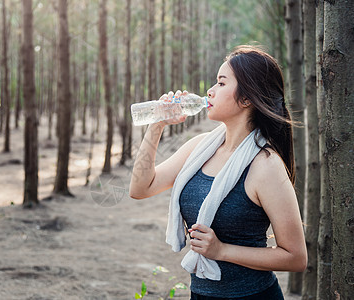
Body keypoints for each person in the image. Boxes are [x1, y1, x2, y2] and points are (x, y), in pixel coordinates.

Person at [129, 45, 307, 299]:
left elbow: (296, 257)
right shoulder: (200, 147)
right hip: (201, 293)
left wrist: (221, 251)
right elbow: (140, 189)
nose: (210, 91)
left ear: (246, 99)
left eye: (221, 84)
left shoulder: (265, 165)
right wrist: (157, 124)